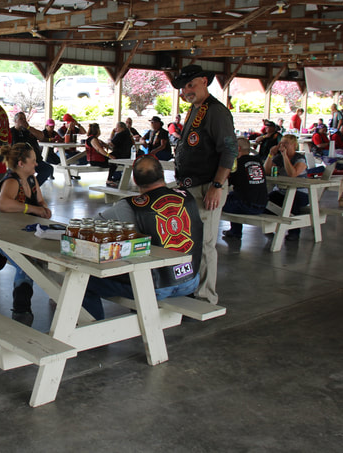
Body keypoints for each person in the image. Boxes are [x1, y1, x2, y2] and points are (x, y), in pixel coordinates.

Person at [82, 155, 202, 320]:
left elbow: (92, 224)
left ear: (135, 180)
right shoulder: (187, 197)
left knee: (84, 279)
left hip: (155, 286)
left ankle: (93, 328)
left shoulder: (129, 205)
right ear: (162, 174)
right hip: (191, 280)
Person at [172, 65, 237, 305]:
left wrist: (217, 185)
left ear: (204, 82)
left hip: (207, 186)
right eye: (184, 87)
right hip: (189, 185)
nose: (187, 90)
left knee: (205, 242)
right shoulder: (195, 109)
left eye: (191, 85)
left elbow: (229, 150)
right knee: (189, 240)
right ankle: (191, 287)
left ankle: (206, 296)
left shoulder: (216, 111)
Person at [0, 143, 52, 326]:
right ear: (21, 163)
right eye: (33, 160)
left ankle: (58, 293)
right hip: (6, 237)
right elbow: (3, 204)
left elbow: (40, 200)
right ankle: (21, 310)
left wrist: (44, 209)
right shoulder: (12, 181)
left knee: (54, 255)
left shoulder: (31, 180)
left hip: (29, 235)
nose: (36, 164)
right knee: (25, 263)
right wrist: (32, 209)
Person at [264, 134, 308, 241]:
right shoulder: (278, 158)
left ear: (294, 145)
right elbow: (267, 171)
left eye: (286, 143)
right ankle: (270, 228)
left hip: (299, 192)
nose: (283, 146)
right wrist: (270, 155)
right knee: (266, 202)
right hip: (281, 191)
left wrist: (285, 156)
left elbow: (292, 174)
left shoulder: (300, 158)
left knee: (292, 203)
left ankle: (294, 232)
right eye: (281, 143)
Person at [222, 137, 268, 239]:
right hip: (263, 205)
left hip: (246, 206)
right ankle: (235, 231)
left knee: (215, 202)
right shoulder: (258, 161)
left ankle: (207, 234)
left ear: (238, 148)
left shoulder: (237, 164)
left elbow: (226, 182)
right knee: (234, 196)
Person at [11, 111, 52, 185]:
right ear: (15, 121)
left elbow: (41, 137)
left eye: (24, 119)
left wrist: (28, 128)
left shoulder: (29, 131)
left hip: (35, 161)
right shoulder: (11, 132)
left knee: (48, 169)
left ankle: (33, 187)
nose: (23, 120)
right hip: (20, 162)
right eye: (21, 119)